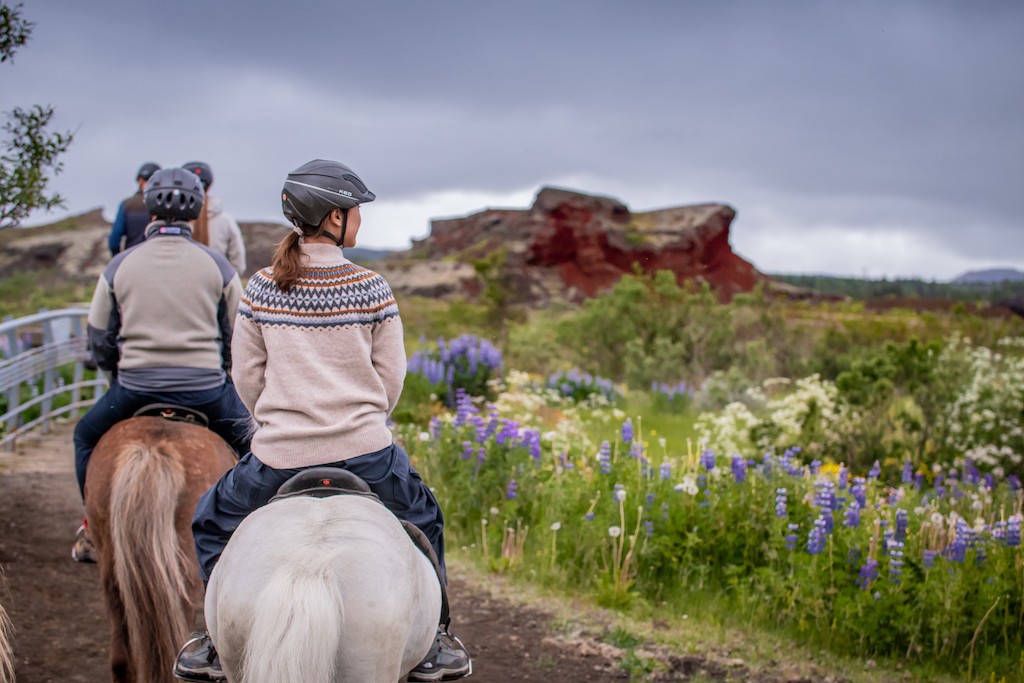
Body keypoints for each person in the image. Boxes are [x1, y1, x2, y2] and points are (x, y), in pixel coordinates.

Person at [173, 159, 472, 682]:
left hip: (277, 458)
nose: (360, 219)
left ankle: (216, 642)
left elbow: (246, 374)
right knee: (426, 519)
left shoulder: (262, 287)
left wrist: (279, 419)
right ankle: (436, 641)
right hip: (368, 454)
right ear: (335, 217)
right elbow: (391, 376)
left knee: (211, 519)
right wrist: (360, 417)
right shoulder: (372, 287)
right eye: (356, 210)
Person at [71, 167, 254, 563]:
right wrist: (223, 370)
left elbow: (99, 335)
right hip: (206, 390)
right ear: (196, 211)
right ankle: (248, 528)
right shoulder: (219, 267)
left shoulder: (119, 265)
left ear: (150, 208)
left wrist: (115, 372)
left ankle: (92, 527)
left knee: (84, 437)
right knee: (252, 444)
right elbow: (238, 334)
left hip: (135, 388)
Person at [182, 161, 247, 275]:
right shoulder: (226, 221)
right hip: (217, 284)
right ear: (210, 186)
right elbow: (238, 264)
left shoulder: (173, 219)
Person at [107, 162, 161, 255]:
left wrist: (119, 258)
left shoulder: (127, 205)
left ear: (140, 180)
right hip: (158, 257)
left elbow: (114, 241)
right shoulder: (166, 204)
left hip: (131, 257)